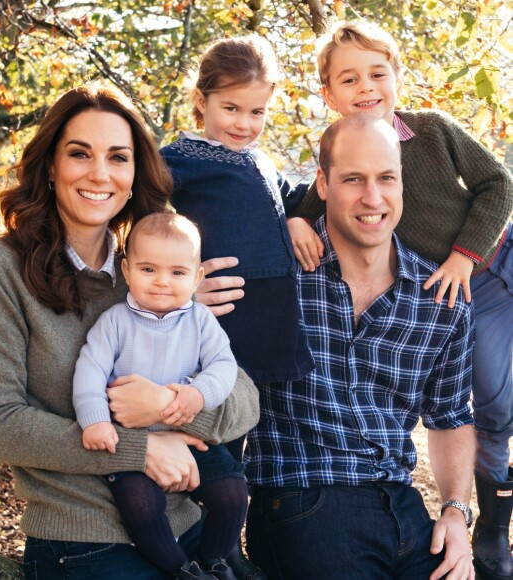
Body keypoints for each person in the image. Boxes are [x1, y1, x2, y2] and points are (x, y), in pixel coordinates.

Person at [0, 83, 260, 580]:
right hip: (84, 542)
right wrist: (142, 448)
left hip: (189, 526)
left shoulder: (150, 271)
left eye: (118, 157)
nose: (100, 174)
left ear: (135, 171)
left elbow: (246, 400)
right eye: (80, 153)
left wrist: (167, 405)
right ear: (51, 164)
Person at [288, 21, 513, 580]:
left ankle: (492, 520)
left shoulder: (431, 131)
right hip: (455, 294)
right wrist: (293, 218)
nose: (366, 87)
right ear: (328, 94)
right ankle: (491, 527)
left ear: (396, 77)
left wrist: (464, 253)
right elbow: (305, 194)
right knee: (485, 405)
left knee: (498, 405)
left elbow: (499, 185)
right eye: (349, 78)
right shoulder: (339, 158)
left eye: (377, 73)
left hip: (491, 263)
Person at [243, 114, 476, 580]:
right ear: (323, 184)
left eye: (386, 178)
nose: (373, 198)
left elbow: (450, 417)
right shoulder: (274, 278)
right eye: (354, 180)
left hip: (403, 508)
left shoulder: (440, 301)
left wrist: (454, 512)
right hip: (302, 497)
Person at [160, 35, 313, 580]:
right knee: (214, 430)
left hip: (268, 320)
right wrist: (178, 282)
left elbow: (290, 195)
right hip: (222, 321)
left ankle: (233, 538)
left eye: (257, 111)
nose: (245, 123)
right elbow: (141, 223)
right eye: (231, 108)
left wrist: (295, 216)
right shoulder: (179, 160)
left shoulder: (260, 158)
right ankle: (213, 543)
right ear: (201, 101)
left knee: (249, 436)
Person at [73, 212, 247, 579]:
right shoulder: (115, 321)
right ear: (127, 269)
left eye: (177, 273)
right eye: (148, 269)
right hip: (133, 441)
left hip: (189, 439)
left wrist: (198, 395)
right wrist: (95, 420)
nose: (162, 283)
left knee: (231, 492)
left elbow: (223, 366)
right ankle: (181, 568)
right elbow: (89, 371)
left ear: (198, 276)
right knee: (139, 505)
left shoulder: (200, 320)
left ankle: (215, 558)